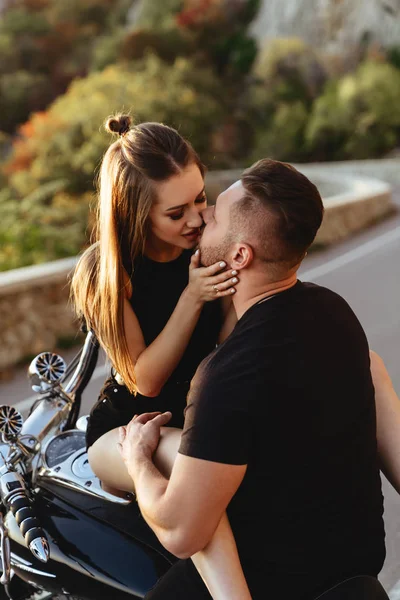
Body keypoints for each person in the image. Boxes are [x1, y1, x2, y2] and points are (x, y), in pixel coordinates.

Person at [118, 158, 389, 600]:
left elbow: (181, 532)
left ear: (240, 255)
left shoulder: (229, 374)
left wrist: (138, 460)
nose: (204, 216)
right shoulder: (334, 312)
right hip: (353, 571)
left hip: (275, 586)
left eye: (216, 213)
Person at [70, 114, 252, 599]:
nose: (196, 218)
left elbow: (233, 346)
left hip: (201, 410)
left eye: (200, 199)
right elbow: (143, 380)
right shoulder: (106, 273)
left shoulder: (209, 243)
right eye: (176, 213)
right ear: (134, 214)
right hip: (127, 427)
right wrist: (192, 298)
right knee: (186, 458)